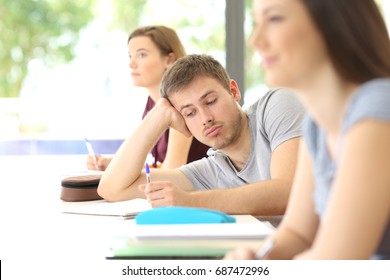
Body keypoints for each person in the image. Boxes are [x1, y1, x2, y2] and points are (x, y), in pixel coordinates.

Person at [224, 0, 390, 259]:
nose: (255, 40)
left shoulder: (379, 108)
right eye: (257, 22)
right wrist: (258, 257)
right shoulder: (317, 124)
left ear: (333, 22)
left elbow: (337, 259)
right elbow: (298, 234)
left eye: (275, 19)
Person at [97, 54, 306, 216]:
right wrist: (158, 117)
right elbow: (113, 189)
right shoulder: (210, 170)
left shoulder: (278, 103)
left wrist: (191, 201)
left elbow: (289, 192)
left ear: (233, 90)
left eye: (210, 101)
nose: (205, 118)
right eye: (190, 113)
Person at [87, 25, 209, 171]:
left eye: (141, 55)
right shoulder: (153, 103)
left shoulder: (180, 105)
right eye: (130, 56)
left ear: (169, 60)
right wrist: (109, 164)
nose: (131, 64)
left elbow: (173, 171)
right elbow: (154, 162)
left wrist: (120, 173)